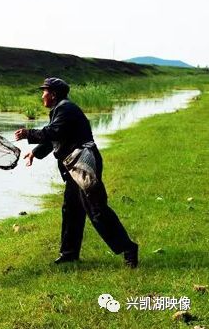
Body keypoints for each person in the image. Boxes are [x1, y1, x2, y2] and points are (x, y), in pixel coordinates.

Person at [14, 77, 139, 268]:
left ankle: (128, 248)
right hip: (75, 166)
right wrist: (34, 152)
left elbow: (53, 132)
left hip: (83, 164)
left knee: (96, 210)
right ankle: (69, 253)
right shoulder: (61, 109)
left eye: (44, 92)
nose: (42, 96)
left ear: (53, 94)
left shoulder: (65, 108)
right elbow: (55, 138)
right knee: (71, 208)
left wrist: (28, 133)